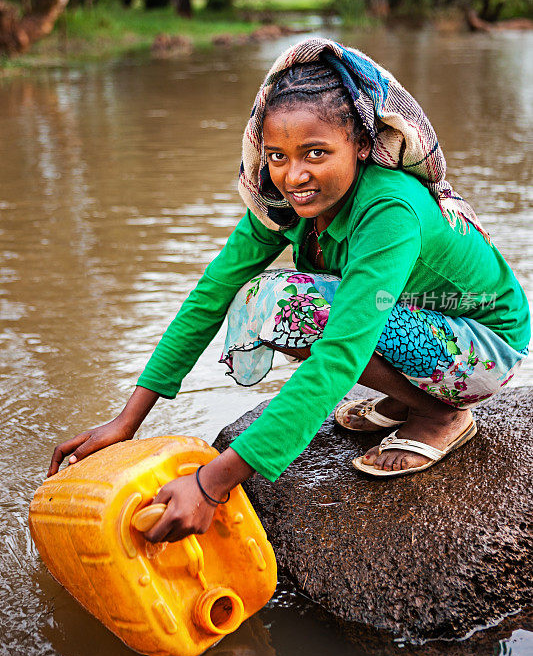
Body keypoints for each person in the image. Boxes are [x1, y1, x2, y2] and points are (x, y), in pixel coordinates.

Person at [48, 38, 530, 543]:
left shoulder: (391, 211)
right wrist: (128, 419)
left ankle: (440, 414)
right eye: (277, 155)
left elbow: (341, 352)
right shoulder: (281, 201)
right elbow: (212, 292)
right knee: (263, 298)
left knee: (294, 306)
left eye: (315, 153)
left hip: (483, 342)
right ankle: (412, 398)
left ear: (362, 147)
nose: (293, 176)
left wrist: (212, 484)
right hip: (410, 316)